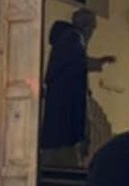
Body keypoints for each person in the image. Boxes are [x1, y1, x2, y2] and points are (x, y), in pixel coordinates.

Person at [39, 8, 114, 158]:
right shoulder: (73, 37)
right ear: (85, 26)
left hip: (62, 98)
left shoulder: (67, 37)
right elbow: (77, 63)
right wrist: (98, 62)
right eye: (92, 27)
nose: (92, 32)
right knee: (65, 141)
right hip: (66, 101)